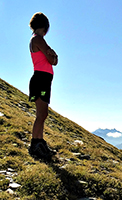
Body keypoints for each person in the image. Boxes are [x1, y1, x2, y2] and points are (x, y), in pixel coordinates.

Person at [28, 12, 58, 160]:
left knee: (42, 114)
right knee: (42, 114)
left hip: (42, 79)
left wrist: (54, 57)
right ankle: (35, 144)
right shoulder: (38, 40)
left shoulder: (37, 40)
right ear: (45, 26)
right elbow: (52, 59)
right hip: (41, 79)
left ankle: (39, 142)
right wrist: (54, 55)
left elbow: (54, 60)